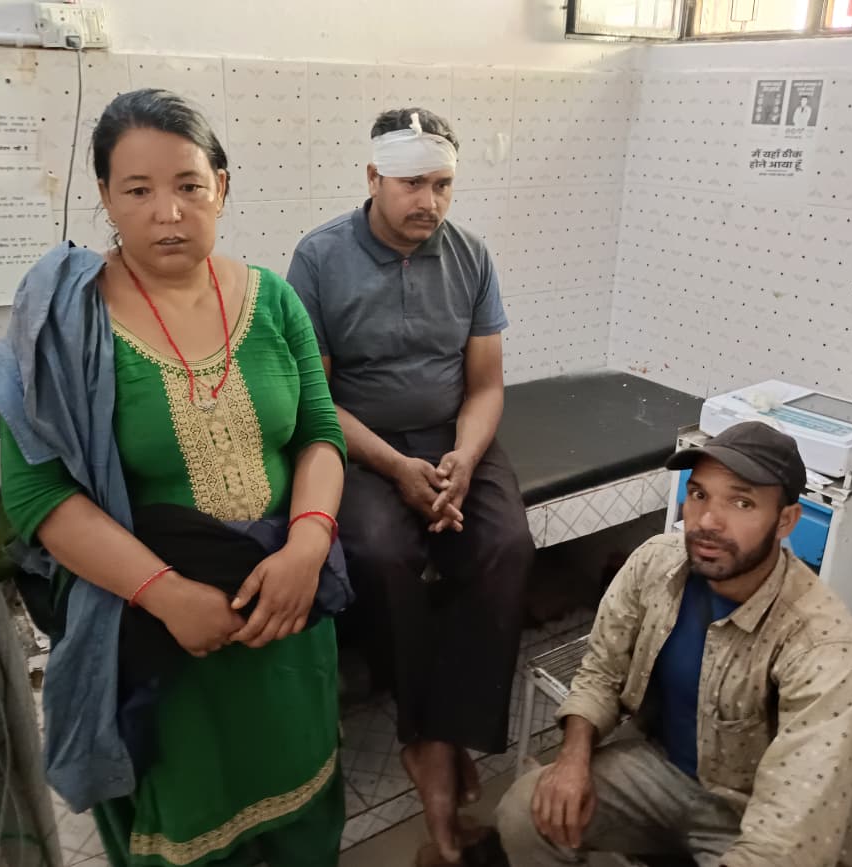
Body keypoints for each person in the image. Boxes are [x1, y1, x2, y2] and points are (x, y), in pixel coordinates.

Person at [0, 89, 347, 867]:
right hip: (159, 637)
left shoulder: (275, 301)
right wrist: (168, 596)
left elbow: (319, 433)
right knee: (186, 824)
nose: (167, 212)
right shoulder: (65, 327)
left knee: (304, 813)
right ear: (105, 197)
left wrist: (308, 548)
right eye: (138, 190)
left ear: (221, 188)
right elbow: (39, 495)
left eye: (189, 185)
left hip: (284, 617)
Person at [287, 107, 534, 865]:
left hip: (453, 437)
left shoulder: (471, 255)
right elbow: (314, 398)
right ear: (373, 178)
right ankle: (423, 738)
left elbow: (485, 385)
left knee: (505, 544)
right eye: (412, 184)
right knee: (380, 552)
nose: (429, 201)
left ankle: (447, 731)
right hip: (361, 446)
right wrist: (396, 468)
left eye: (442, 185)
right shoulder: (319, 258)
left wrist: (463, 458)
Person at [496, 422, 852, 867]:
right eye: (699, 494)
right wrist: (572, 759)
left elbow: (788, 835)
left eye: (742, 502)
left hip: (749, 811)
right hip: (660, 770)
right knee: (524, 813)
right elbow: (602, 671)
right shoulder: (655, 563)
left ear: (785, 521)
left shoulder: (823, 644)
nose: (708, 521)